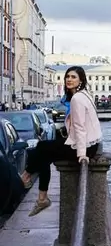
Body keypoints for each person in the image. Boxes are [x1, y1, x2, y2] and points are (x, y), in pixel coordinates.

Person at [21, 66, 103, 217]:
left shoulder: (77, 98)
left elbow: (80, 127)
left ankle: (27, 177)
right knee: (44, 151)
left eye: (73, 77)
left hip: (85, 145)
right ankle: (41, 197)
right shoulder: (85, 94)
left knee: (43, 147)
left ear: (81, 80)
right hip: (92, 143)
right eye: (67, 77)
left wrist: (82, 154)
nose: (69, 80)